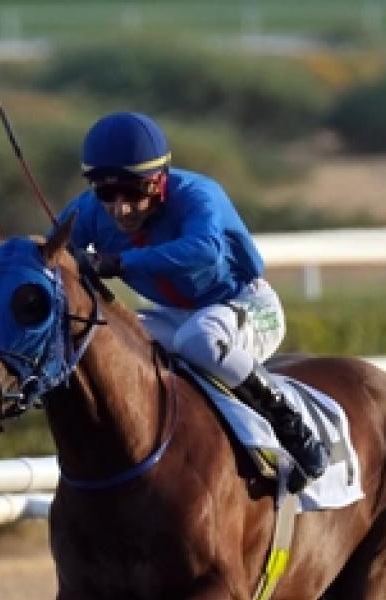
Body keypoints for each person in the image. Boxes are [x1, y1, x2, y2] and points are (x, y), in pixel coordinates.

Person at [59, 110, 329, 491]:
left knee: (198, 340)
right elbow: (52, 254)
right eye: (106, 193)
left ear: (159, 181)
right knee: (107, 339)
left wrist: (119, 262)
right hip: (173, 315)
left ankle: (290, 426)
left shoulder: (199, 194)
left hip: (244, 305)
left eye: (134, 192)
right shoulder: (86, 211)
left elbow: (204, 250)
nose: (120, 209)